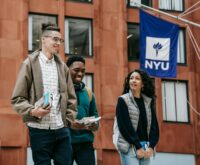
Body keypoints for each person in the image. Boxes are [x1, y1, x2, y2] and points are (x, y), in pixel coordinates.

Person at [11, 23, 77, 165]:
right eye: (54, 39)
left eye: (60, 40)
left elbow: (71, 98)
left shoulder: (63, 67)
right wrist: (33, 111)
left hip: (61, 129)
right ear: (43, 40)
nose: (58, 43)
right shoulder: (29, 64)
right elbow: (17, 99)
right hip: (39, 131)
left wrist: (68, 121)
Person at [113, 69, 159, 165]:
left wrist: (151, 147)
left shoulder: (148, 102)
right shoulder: (123, 100)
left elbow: (154, 127)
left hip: (145, 147)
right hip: (129, 146)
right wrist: (137, 146)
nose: (133, 80)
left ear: (143, 84)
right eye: (131, 78)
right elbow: (125, 126)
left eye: (137, 79)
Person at [66, 55, 99, 165]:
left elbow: (95, 115)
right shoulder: (60, 91)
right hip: (65, 143)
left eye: (83, 71)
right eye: (76, 70)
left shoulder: (89, 93)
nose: (80, 74)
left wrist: (95, 124)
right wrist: (70, 123)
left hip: (85, 143)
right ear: (67, 70)